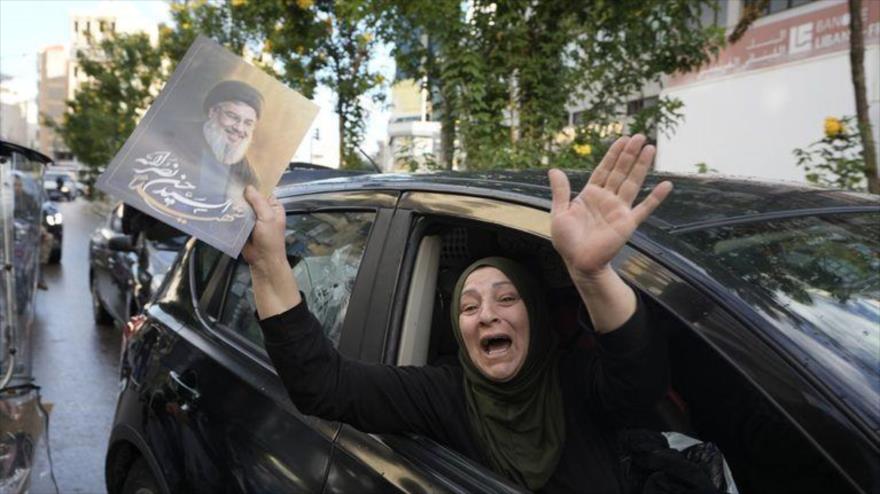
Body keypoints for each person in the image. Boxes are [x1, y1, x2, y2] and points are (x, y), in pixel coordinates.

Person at [243, 135, 674, 492]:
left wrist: (592, 274)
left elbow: (640, 380)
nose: (486, 315)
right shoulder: (444, 393)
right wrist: (269, 264)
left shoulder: (576, 380)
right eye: (469, 306)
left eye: (507, 300)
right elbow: (322, 385)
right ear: (458, 327)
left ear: (537, 319)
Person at [162, 79, 263, 206]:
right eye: (232, 116)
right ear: (213, 111)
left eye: (248, 123)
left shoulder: (249, 178)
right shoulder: (170, 136)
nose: (239, 128)